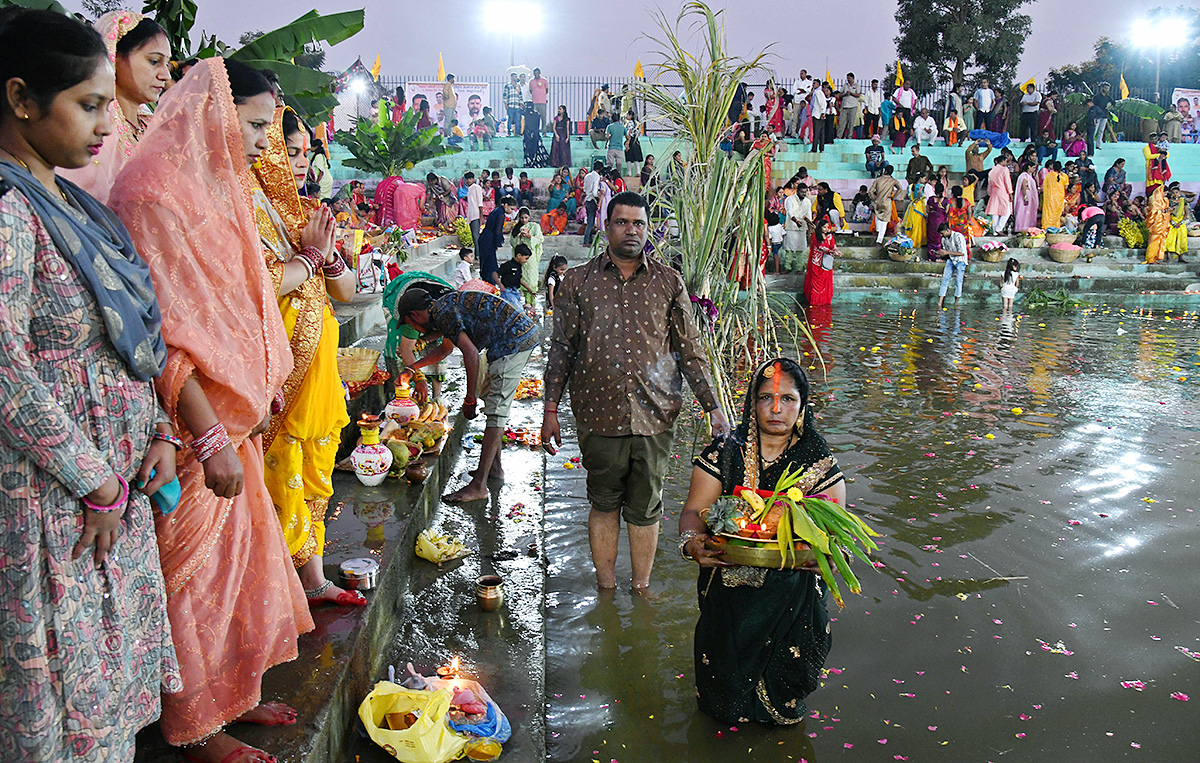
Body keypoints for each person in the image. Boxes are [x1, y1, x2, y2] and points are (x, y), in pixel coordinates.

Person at [109, 57, 314, 761]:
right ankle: (195, 727)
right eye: (255, 123)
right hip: (192, 433)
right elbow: (160, 331)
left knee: (240, 572)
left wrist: (264, 378)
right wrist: (207, 436)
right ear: (216, 114)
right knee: (191, 582)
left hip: (237, 426)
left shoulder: (217, 184)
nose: (264, 139)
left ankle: (236, 694)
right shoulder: (150, 193)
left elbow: (243, 301)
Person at [0, 10, 181, 761]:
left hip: (114, 489)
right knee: (72, 711)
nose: (111, 123)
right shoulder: (10, 213)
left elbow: (124, 343)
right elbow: (5, 369)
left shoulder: (68, 201)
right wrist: (97, 482)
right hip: (59, 505)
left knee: (108, 704)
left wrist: (162, 433)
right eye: (89, 103)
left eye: (111, 102)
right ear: (20, 100)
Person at [542, 191, 730, 591]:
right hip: (598, 415)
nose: (631, 230)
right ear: (606, 226)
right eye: (622, 222)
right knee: (604, 504)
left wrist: (713, 407)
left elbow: (690, 351)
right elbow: (562, 348)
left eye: (639, 223)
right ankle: (607, 588)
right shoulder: (577, 282)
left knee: (646, 509)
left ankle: (641, 587)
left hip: (655, 416)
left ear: (648, 229)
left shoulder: (668, 282)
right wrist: (551, 410)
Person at [679, 357, 841, 725]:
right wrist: (692, 543)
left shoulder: (818, 460)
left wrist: (828, 555)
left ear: (802, 405)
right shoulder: (725, 451)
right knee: (721, 706)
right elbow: (693, 511)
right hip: (730, 591)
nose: (776, 408)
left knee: (782, 705)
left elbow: (834, 533)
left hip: (792, 597)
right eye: (765, 397)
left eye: (788, 399)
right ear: (752, 402)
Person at [251, 108, 364, 610]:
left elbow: (346, 289)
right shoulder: (245, 212)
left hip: (318, 371)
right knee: (282, 482)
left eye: (304, 152)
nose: (300, 162)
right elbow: (259, 285)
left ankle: (313, 579)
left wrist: (329, 254)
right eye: (289, 150)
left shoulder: (301, 211)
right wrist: (311, 258)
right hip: (278, 373)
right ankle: (280, 591)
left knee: (317, 474)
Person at [396, 283, 539, 503]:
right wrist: (412, 368)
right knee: (491, 400)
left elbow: (471, 355)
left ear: (415, 315)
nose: (418, 332)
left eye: (411, 324)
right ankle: (494, 468)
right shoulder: (442, 308)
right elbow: (445, 349)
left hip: (513, 342)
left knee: (496, 411)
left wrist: (469, 398)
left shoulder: (443, 313)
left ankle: (479, 486)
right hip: (511, 338)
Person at [59, 12, 168, 204]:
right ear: (114, 55)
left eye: (166, 64)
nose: (165, 75)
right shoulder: (94, 124)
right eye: (154, 62)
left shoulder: (154, 126)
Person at [478, 195, 516, 288]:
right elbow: (497, 231)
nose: (511, 211)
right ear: (506, 205)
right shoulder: (501, 214)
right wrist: (497, 243)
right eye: (511, 208)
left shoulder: (496, 210)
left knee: (486, 263)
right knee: (490, 266)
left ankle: (486, 284)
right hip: (489, 240)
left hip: (484, 238)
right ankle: (490, 286)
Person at [509, 205, 543, 305]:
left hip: (531, 258)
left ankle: (532, 303)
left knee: (531, 280)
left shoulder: (535, 226)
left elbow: (540, 239)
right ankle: (524, 303)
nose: (524, 220)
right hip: (520, 258)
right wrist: (519, 237)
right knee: (521, 279)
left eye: (526, 218)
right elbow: (512, 242)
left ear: (529, 217)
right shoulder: (516, 228)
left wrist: (529, 237)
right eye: (522, 218)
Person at [805, 216, 837, 305]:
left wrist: (836, 250)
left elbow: (833, 245)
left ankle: (824, 301)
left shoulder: (830, 236)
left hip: (826, 263)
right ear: (820, 227)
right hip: (816, 263)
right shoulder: (815, 236)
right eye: (824, 227)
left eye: (827, 227)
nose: (826, 229)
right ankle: (815, 302)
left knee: (826, 283)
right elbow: (821, 247)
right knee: (816, 284)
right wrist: (831, 251)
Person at [937, 222, 969, 308]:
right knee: (945, 280)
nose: (941, 235)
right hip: (951, 260)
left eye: (942, 233)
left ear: (947, 230)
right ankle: (940, 303)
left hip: (960, 261)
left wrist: (947, 252)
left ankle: (956, 303)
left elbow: (962, 253)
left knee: (958, 282)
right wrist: (941, 254)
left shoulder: (959, 236)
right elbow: (947, 252)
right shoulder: (944, 239)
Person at [782, 181, 812, 272]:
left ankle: (799, 268)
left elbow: (809, 215)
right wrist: (796, 221)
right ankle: (787, 268)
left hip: (802, 228)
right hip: (791, 227)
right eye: (802, 192)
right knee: (789, 249)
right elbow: (789, 212)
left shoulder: (808, 201)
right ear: (797, 191)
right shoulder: (789, 199)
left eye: (805, 192)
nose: (804, 194)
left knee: (801, 249)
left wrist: (809, 226)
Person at [869, 165, 901, 245]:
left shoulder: (878, 180)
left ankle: (878, 231)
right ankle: (879, 240)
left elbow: (870, 191)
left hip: (878, 201)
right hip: (887, 202)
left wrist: (874, 198)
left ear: (885, 171)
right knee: (885, 221)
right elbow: (900, 188)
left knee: (878, 216)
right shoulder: (893, 180)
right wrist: (893, 197)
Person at [985, 156, 1013, 233]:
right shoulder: (1004, 170)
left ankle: (994, 231)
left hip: (994, 192)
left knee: (995, 212)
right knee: (1007, 211)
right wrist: (1010, 193)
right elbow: (1007, 182)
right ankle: (999, 228)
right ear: (1003, 161)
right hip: (1003, 192)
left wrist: (990, 193)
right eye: (1006, 161)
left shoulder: (992, 171)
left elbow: (989, 184)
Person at [498, 243, 531, 308]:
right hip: (507, 291)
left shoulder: (519, 266)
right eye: (526, 258)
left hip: (515, 291)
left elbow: (519, 279)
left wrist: (529, 289)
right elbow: (496, 274)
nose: (526, 261)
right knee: (517, 309)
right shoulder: (508, 265)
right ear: (519, 255)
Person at [1144, 185, 1170, 265]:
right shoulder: (1154, 199)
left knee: (1161, 240)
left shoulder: (1165, 200)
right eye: (1164, 192)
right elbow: (1154, 211)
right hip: (1156, 223)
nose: (1165, 194)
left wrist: (1167, 211)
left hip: (1163, 223)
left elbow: (1164, 210)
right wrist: (1165, 210)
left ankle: (1157, 258)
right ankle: (1151, 259)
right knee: (1154, 240)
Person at [902, 173, 928, 247]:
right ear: (920, 178)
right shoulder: (920, 186)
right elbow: (919, 192)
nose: (924, 180)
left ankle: (910, 240)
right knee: (918, 224)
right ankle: (917, 241)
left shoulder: (910, 186)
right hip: (918, 206)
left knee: (912, 224)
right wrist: (918, 198)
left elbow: (906, 196)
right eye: (924, 178)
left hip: (912, 206)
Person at [1040, 161, 1068, 229]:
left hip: (1050, 197)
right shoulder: (1064, 176)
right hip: (1059, 197)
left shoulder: (1049, 175)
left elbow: (1044, 185)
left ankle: (1047, 226)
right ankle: (1056, 226)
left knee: (1049, 212)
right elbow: (1066, 187)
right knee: (1057, 212)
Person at [1013, 162, 1040, 232]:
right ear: (1029, 167)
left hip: (1029, 196)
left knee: (1028, 213)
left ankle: (1028, 228)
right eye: (1033, 167)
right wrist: (1025, 197)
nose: (1034, 169)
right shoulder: (1024, 175)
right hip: (1025, 197)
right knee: (1023, 213)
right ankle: (1021, 228)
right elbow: (1024, 186)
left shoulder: (1029, 176)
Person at [1165, 185, 1189, 262]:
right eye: (1173, 192)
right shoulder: (1169, 201)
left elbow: (1186, 212)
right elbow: (1168, 213)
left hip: (1181, 222)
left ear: (1179, 193)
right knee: (1170, 239)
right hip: (1172, 222)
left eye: (1176, 192)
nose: (1175, 194)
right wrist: (1173, 222)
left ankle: (1181, 257)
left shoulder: (1183, 201)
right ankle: (1169, 257)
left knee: (1181, 239)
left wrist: (1181, 222)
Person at [582, 158, 603, 245]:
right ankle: (586, 241)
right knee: (590, 221)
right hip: (592, 200)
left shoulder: (587, 176)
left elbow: (584, 188)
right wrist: (599, 198)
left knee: (590, 220)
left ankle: (589, 239)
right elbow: (594, 192)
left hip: (587, 199)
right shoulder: (596, 177)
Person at [522, 101, 549, 168]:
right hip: (529, 134)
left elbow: (537, 124)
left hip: (533, 133)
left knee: (535, 149)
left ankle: (534, 162)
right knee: (529, 149)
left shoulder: (535, 114)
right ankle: (529, 162)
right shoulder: (526, 114)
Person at [926, 183, 947, 259]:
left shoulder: (931, 199)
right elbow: (947, 211)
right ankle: (937, 257)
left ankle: (930, 256)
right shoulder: (945, 200)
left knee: (931, 238)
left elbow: (927, 210)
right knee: (939, 238)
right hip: (941, 220)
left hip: (932, 220)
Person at [838, 72, 861, 139]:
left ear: (853, 78)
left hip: (853, 106)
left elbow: (858, 95)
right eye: (847, 78)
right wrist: (845, 94)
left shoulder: (857, 85)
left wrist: (851, 93)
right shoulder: (845, 85)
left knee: (851, 123)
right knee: (842, 122)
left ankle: (849, 136)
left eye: (849, 78)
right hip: (845, 105)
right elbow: (840, 95)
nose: (848, 80)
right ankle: (839, 136)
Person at [465, 170, 483, 245]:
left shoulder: (476, 187)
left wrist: (481, 216)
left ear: (473, 179)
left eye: (470, 179)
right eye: (467, 179)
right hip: (471, 215)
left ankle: (479, 255)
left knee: (476, 237)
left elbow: (480, 203)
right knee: (474, 236)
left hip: (476, 215)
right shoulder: (469, 189)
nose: (468, 181)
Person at [624, 109, 644, 177]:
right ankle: (638, 172)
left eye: (627, 114)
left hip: (631, 140)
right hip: (635, 140)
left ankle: (629, 173)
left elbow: (629, 132)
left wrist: (628, 142)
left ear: (630, 115)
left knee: (629, 157)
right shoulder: (635, 123)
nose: (626, 116)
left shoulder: (629, 123)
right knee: (636, 157)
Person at [810, 80, 828, 153]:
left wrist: (823, 112)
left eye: (814, 83)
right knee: (820, 132)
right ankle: (821, 148)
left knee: (817, 132)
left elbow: (822, 103)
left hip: (818, 114)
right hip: (818, 113)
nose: (813, 85)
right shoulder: (817, 92)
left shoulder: (818, 92)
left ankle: (815, 149)